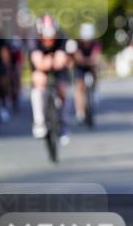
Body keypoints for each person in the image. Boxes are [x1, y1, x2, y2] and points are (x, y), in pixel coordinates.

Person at [30, 14, 71, 144]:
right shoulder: (33, 39)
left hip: (58, 69)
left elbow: (62, 61)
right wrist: (51, 60)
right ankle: (39, 122)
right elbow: (38, 63)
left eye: (51, 37)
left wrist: (53, 60)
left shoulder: (62, 37)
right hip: (41, 68)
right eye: (45, 37)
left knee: (64, 91)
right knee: (38, 82)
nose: (48, 41)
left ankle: (63, 124)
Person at [69, 22, 102, 123]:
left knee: (96, 70)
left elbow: (96, 56)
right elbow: (77, 57)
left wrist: (93, 61)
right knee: (79, 87)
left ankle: (94, 90)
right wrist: (84, 60)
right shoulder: (76, 43)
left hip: (90, 66)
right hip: (79, 67)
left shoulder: (96, 43)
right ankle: (80, 112)